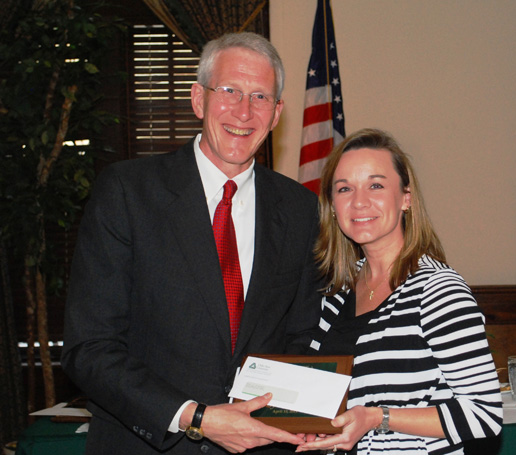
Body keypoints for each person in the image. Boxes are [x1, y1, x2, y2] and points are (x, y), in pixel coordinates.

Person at [62, 32, 322, 455]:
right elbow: (89, 347)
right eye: (230, 91)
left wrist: (294, 415)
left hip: (261, 445)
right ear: (198, 99)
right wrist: (195, 416)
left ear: (276, 114)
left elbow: (302, 334)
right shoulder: (128, 192)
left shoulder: (300, 209)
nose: (244, 110)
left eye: (260, 97)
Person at [296, 128, 503, 455]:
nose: (359, 201)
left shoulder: (438, 290)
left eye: (376, 185)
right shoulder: (335, 295)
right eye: (344, 188)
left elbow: (484, 414)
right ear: (333, 206)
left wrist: (377, 417)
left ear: (406, 198)